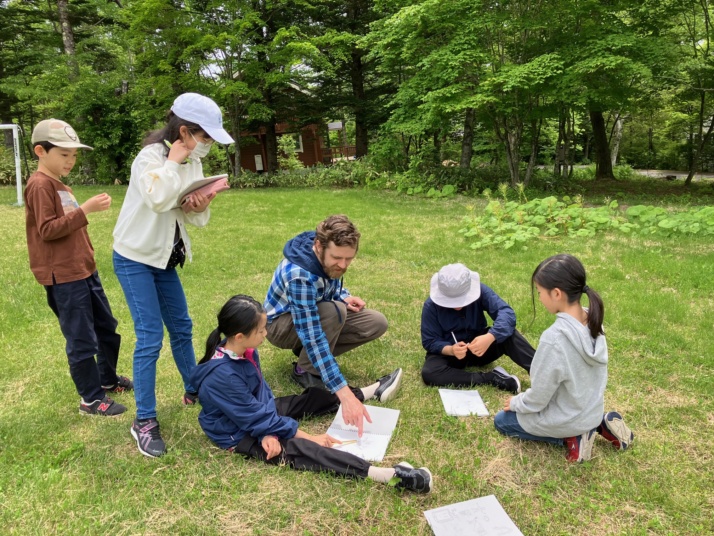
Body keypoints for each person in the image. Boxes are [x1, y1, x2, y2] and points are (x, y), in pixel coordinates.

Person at [191, 295, 432, 493]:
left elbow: (260, 396)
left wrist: (268, 429)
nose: (266, 334)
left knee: (309, 398)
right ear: (240, 336)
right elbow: (250, 416)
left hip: (254, 413)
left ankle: (371, 392)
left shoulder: (244, 350)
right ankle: (389, 476)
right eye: (262, 330)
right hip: (235, 433)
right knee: (303, 451)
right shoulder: (222, 377)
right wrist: (306, 436)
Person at [113, 93, 234, 457]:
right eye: (205, 137)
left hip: (165, 258)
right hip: (135, 257)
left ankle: (194, 387)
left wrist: (201, 205)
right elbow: (156, 198)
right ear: (184, 131)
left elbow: (187, 214)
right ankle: (144, 421)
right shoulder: (149, 158)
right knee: (150, 337)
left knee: (182, 327)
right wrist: (172, 164)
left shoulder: (191, 162)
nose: (207, 145)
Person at [24, 119, 132, 417]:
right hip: (64, 277)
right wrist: (85, 209)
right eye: (63, 154)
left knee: (106, 328)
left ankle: (107, 379)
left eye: (74, 155)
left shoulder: (59, 183)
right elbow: (48, 230)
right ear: (40, 152)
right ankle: (90, 399)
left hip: (84, 270)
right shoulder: (39, 185)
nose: (70, 161)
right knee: (81, 338)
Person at [264, 214, 402, 436]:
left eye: (349, 259)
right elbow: (313, 337)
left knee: (376, 322)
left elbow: (328, 282)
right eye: (338, 258)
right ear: (319, 246)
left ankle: (309, 358)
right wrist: (345, 393)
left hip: (312, 314)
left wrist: (343, 295)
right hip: (280, 327)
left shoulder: (328, 255)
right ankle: (304, 369)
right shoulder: (299, 275)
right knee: (334, 311)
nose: (343, 265)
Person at [494, 254, 634, 462]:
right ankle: (597, 424)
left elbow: (539, 398)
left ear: (556, 293)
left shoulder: (554, 339)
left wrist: (517, 402)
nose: (539, 298)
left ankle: (574, 438)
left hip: (568, 418)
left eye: (540, 292)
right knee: (577, 415)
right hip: (591, 410)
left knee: (502, 421)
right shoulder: (593, 319)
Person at [421, 263, 534, 393]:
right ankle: (490, 378)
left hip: (481, 346)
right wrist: (451, 350)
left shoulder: (481, 290)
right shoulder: (431, 306)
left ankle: (542, 373)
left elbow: (506, 313)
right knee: (430, 373)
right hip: (451, 353)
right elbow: (429, 341)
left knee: (510, 335)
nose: (457, 306)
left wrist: (490, 337)